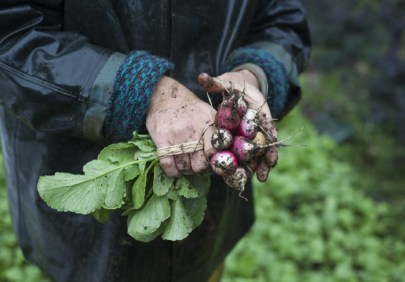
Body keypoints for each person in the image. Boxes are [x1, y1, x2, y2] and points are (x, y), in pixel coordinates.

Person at [0, 0, 310, 281]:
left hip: (215, 200)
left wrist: (256, 72)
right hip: (78, 180)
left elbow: (281, 18)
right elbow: (11, 32)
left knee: (204, 269)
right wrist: (137, 90)